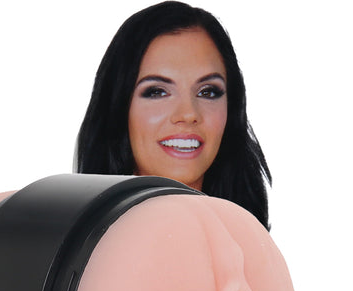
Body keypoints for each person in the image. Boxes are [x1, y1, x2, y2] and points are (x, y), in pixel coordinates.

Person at [75, 1, 272, 230]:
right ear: (119, 106)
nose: (188, 114)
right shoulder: (80, 237)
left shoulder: (247, 237)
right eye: (157, 91)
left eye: (208, 92)